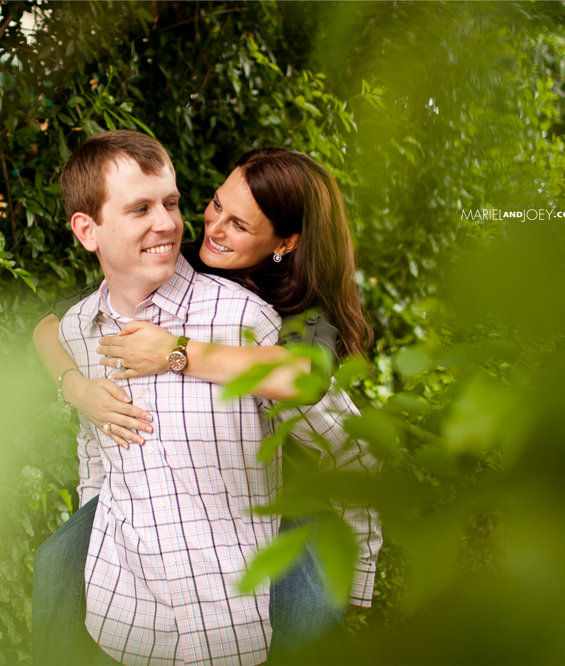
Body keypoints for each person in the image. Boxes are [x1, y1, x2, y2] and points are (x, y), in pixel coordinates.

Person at [33, 131, 381, 665]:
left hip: (280, 496)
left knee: (299, 629)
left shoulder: (287, 313)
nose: (208, 227)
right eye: (215, 204)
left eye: (239, 224)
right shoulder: (177, 256)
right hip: (157, 537)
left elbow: (310, 391)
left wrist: (176, 350)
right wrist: (76, 387)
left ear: (285, 242)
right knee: (57, 562)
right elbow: (53, 330)